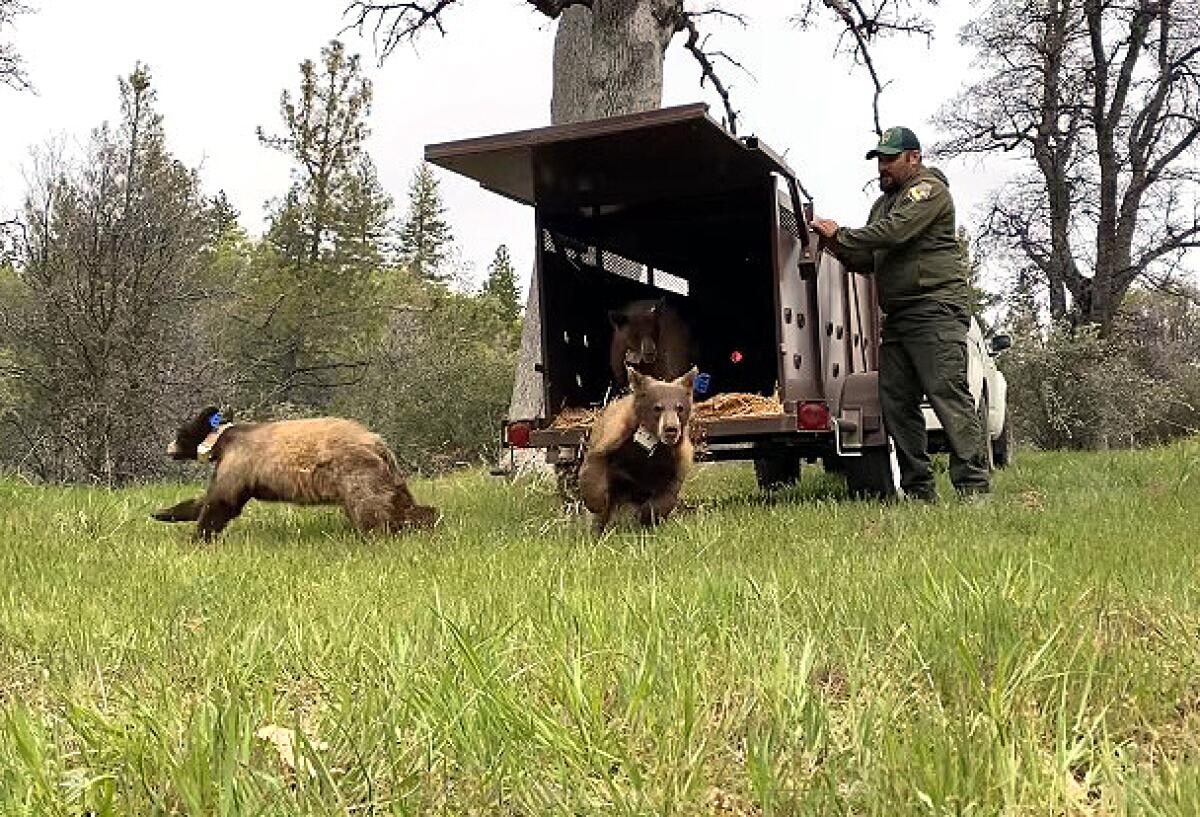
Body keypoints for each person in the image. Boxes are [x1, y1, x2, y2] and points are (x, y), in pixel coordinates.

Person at [809, 126, 991, 503]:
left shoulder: (928, 191)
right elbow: (867, 257)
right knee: (896, 404)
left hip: (935, 310)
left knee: (947, 396)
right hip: (900, 317)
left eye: (891, 159)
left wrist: (842, 233)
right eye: (879, 159)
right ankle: (918, 491)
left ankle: (973, 489)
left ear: (914, 157)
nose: (882, 167)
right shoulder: (883, 204)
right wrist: (833, 244)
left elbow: (893, 233)